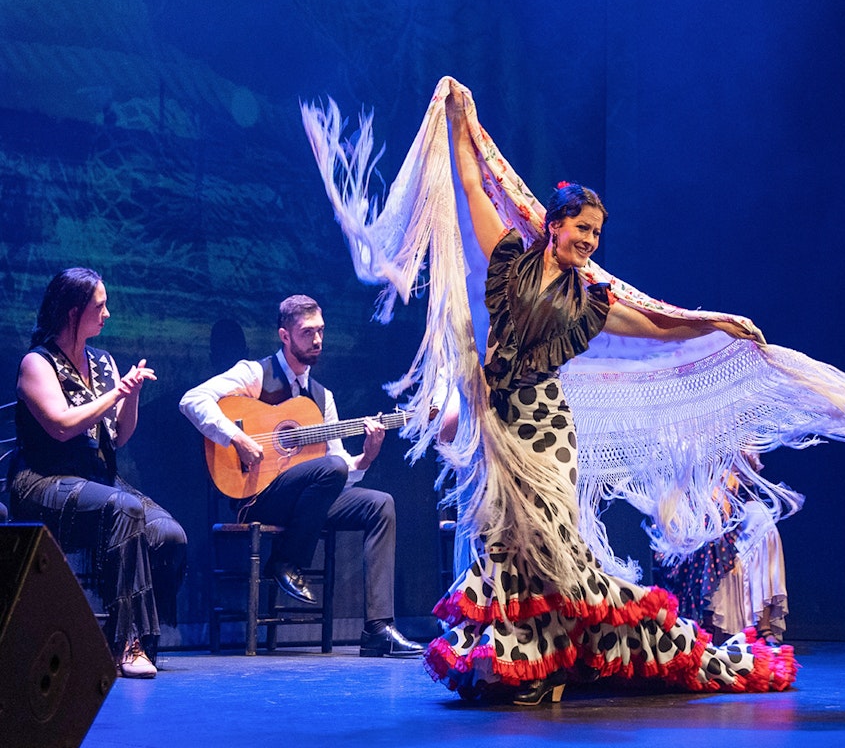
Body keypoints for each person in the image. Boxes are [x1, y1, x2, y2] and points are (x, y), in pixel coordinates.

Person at [411, 90, 796, 705]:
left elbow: (657, 323)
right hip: (500, 425)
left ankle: (546, 663)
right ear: (553, 225)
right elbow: (473, 187)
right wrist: (463, 121)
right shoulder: (508, 259)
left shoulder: (591, 301)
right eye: (580, 228)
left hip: (546, 428)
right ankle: (525, 660)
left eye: (596, 233)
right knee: (504, 543)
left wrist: (716, 322)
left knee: (547, 544)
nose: (589, 240)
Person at [179, 295, 423, 658]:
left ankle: (377, 629)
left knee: (379, 504)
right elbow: (192, 400)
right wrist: (238, 438)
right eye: (307, 332)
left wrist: (366, 457)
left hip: (306, 502)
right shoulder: (254, 374)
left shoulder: (322, 397)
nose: (317, 340)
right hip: (260, 497)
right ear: (285, 335)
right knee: (332, 469)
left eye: (321, 331)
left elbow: (339, 466)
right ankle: (286, 562)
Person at [8, 267, 186, 679]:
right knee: (125, 510)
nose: (107, 314)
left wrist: (132, 395)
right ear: (73, 313)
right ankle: (128, 643)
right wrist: (115, 395)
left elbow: (119, 437)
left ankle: (145, 641)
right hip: (45, 480)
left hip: (97, 479)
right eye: (99, 306)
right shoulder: (37, 363)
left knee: (170, 535)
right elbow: (62, 424)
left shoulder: (102, 362)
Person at [654, 454, 789, 647]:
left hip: (731, 502)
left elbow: (749, 473)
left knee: (764, 521)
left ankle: (763, 624)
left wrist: (737, 459)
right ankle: (707, 624)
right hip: (692, 497)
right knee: (710, 526)